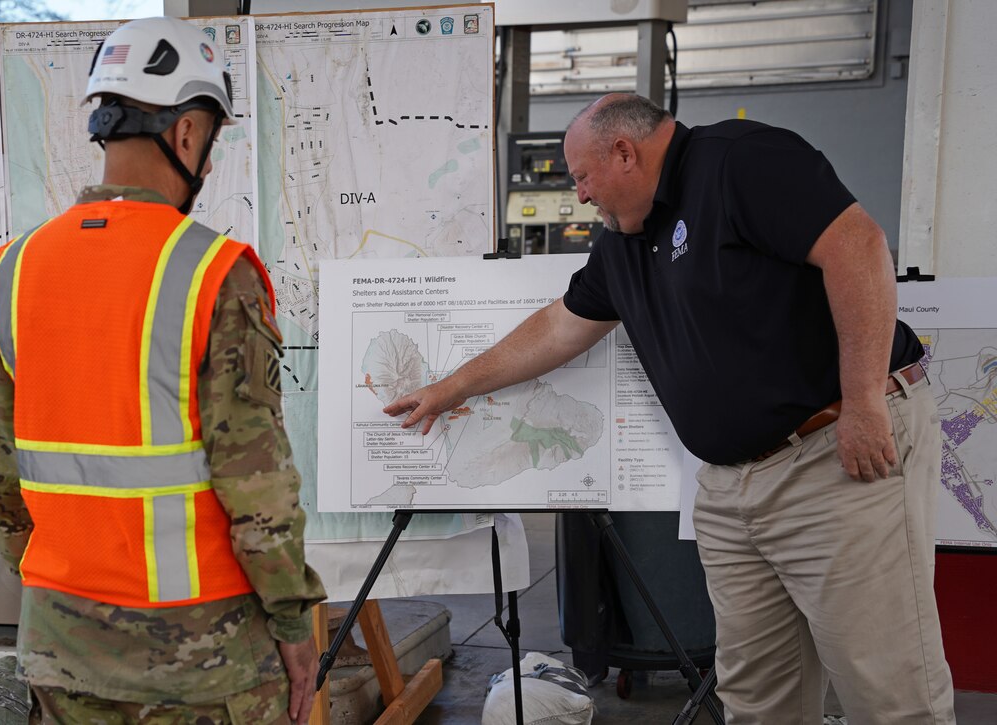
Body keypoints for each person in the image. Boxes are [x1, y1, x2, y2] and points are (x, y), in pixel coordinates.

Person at [385, 93, 956, 724]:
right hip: (731, 490)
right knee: (758, 696)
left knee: (886, 688)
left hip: (832, 458)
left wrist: (867, 401)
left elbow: (858, 245)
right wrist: (453, 386)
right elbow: (557, 328)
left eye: (581, 177)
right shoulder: (622, 242)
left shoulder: (741, 163)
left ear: (624, 152)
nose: (578, 196)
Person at [0, 17, 325, 724]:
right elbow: (256, 489)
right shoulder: (213, 275)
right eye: (212, 141)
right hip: (202, 659)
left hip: (60, 646)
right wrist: (293, 620)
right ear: (188, 132)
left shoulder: (13, 272)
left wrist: (64, 606)